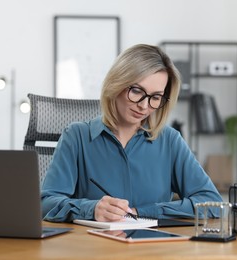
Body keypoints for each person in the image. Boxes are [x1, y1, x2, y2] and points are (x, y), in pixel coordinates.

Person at [41, 43, 222, 223]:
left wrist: (145, 211)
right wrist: (92, 209)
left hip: (153, 248)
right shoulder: (77, 136)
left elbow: (213, 204)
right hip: (94, 248)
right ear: (116, 84)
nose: (144, 106)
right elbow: (45, 204)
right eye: (136, 91)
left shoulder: (170, 140)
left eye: (156, 97)